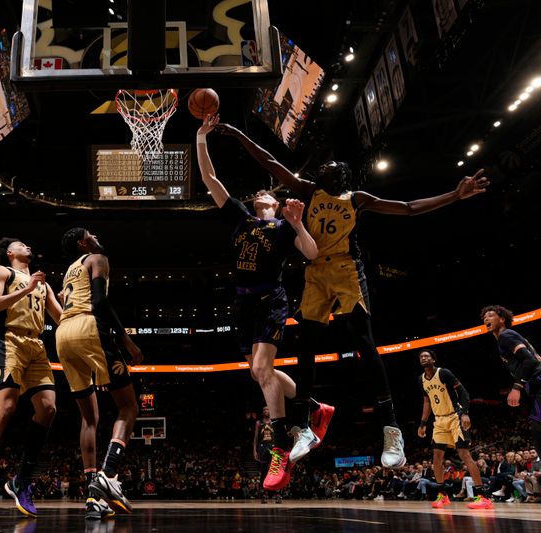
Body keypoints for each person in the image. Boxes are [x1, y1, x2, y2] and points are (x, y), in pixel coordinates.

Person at [215, 120, 489, 468]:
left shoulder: (357, 199)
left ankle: (391, 428)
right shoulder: (309, 190)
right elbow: (270, 162)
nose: (324, 165)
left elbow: (407, 207)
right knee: (306, 346)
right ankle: (302, 427)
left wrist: (454, 194)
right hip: (316, 273)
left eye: (330, 165)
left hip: (346, 270)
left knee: (362, 342)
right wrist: (239, 134)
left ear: (342, 176)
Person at [197, 115, 334, 490]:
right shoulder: (241, 220)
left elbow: (312, 251)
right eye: (257, 194)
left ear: (273, 202)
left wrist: (299, 222)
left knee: (262, 366)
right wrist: (201, 138)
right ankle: (316, 408)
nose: (261, 194)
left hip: (270, 297)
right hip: (242, 304)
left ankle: (280, 451)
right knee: (260, 374)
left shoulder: (284, 224)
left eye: (266, 193)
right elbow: (211, 179)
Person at [0, 238, 62, 520]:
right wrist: (26, 289)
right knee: (6, 407)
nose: (29, 246)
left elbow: (61, 318)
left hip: (37, 345)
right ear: (10, 253)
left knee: (49, 409)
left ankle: (21, 480)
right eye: (22, 244)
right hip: (9, 340)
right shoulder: (2, 272)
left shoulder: (43, 284)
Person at [55, 227, 143, 520]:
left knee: (89, 418)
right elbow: (100, 302)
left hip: (63, 336)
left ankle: (94, 497)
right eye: (90, 233)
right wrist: (125, 339)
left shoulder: (70, 270)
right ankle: (109, 472)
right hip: (88, 328)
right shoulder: (97, 257)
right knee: (129, 406)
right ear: (83, 242)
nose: (95, 235)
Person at [416, 349, 492, 510]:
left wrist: (464, 413)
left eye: (427, 356)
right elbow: (427, 402)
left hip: (455, 416)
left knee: (464, 454)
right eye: (421, 356)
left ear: (433, 359)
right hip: (439, 420)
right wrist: (423, 423)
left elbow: (463, 391)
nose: (424, 358)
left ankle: (483, 497)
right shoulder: (421, 379)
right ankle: (442, 495)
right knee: (436, 457)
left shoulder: (443, 373)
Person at [481, 305, 541, 451]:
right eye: (484, 317)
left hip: (538, 382)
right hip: (535, 385)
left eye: (490, 315)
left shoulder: (505, 336)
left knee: (538, 431)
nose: (485, 318)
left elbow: (530, 361)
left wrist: (516, 387)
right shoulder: (508, 336)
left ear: (502, 319)